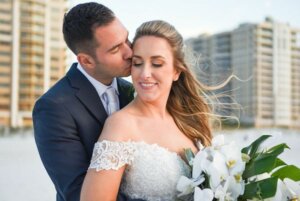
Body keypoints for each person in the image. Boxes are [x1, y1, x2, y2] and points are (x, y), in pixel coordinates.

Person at [80, 20, 213, 201]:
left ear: (176, 71)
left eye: (157, 63)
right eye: (137, 63)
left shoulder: (188, 120)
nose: (144, 74)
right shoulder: (121, 125)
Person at [32, 3, 137, 201]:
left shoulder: (133, 90)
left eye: (127, 39)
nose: (129, 52)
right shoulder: (53, 107)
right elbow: (76, 193)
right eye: (115, 49)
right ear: (86, 61)